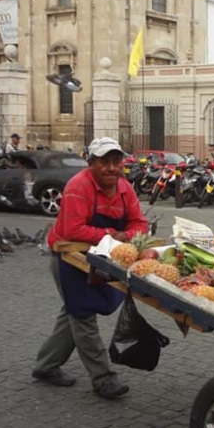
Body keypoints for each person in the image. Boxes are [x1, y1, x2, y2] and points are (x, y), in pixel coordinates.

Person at [32, 137, 148, 400]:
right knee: (82, 313)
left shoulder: (125, 189)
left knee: (74, 312)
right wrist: (111, 234)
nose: (111, 168)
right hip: (69, 257)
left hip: (102, 258)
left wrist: (125, 236)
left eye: (116, 161)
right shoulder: (78, 186)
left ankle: (45, 366)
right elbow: (73, 229)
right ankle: (103, 378)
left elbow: (139, 224)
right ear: (91, 163)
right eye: (104, 162)